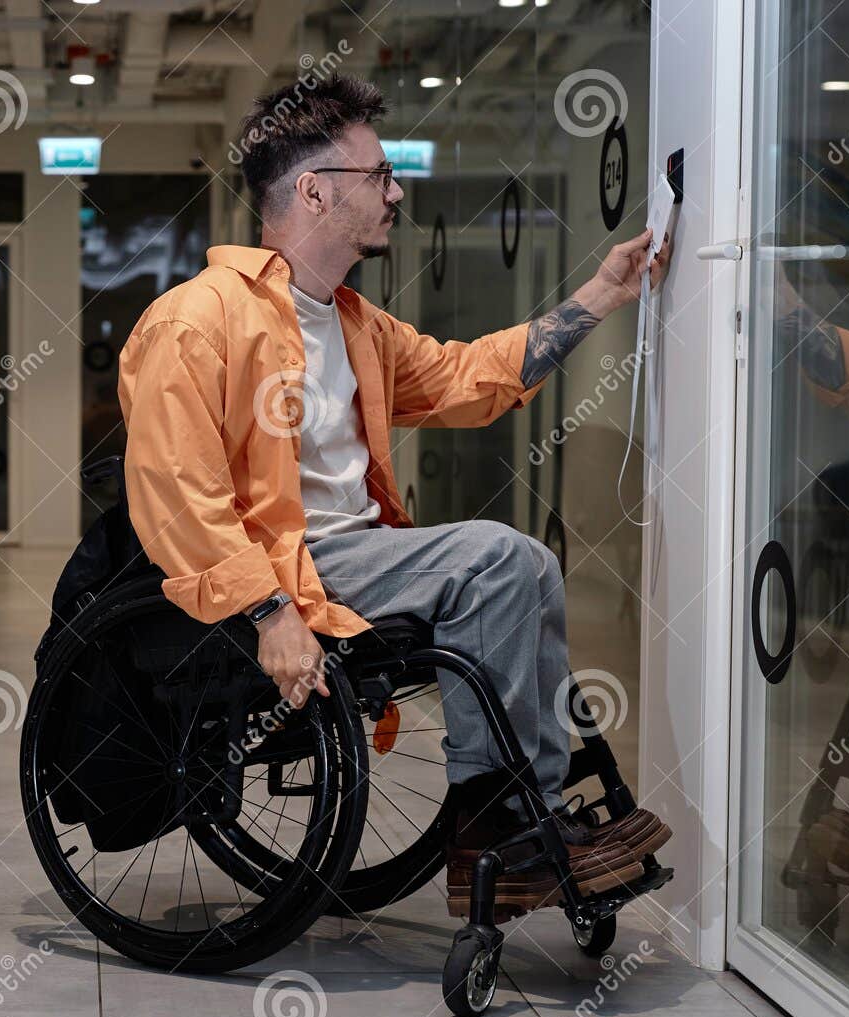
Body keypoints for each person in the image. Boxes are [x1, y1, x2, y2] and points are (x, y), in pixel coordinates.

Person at [114, 74, 671, 917]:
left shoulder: (355, 325)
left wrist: (602, 294)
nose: (396, 192)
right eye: (378, 175)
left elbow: (466, 377)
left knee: (522, 567)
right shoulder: (196, 320)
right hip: (284, 567)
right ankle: (500, 823)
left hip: (354, 554)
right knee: (500, 559)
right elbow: (176, 493)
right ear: (314, 191)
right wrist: (269, 612)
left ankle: (524, 812)